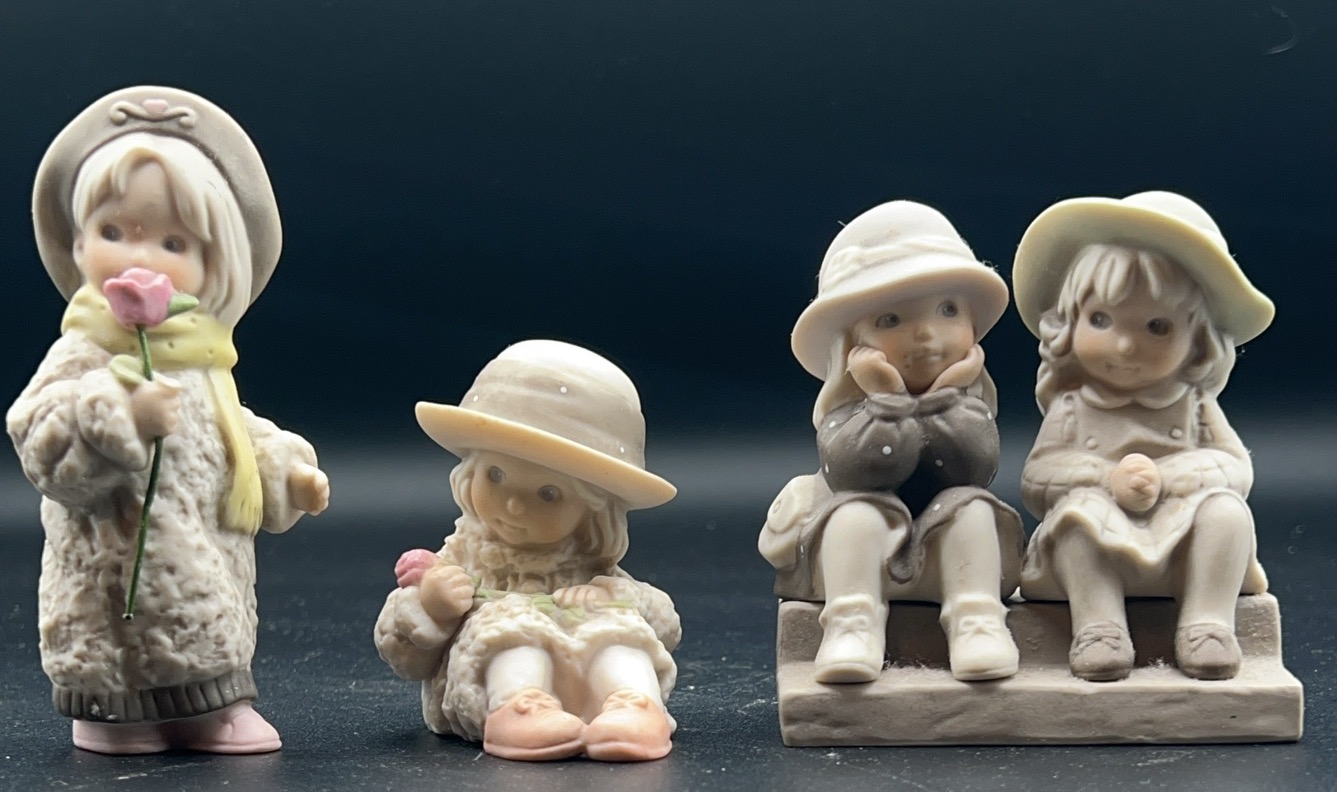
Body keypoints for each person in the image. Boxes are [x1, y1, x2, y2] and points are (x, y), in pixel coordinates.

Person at [11, 86, 329, 754]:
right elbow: (39, 434)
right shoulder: (84, 348)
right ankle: (111, 714)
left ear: (217, 264)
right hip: (110, 558)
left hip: (198, 556)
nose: (140, 256)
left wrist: (283, 469)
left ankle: (209, 708)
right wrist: (117, 415)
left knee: (200, 623)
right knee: (116, 639)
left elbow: (224, 434)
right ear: (77, 243)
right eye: (113, 232)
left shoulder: (201, 358)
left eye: (172, 241)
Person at [375, 340, 681, 762]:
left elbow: (663, 626)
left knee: (616, 635)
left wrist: (611, 596)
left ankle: (634, 705)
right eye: (495, 475)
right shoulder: (464, 556)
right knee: (511, 630)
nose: (514, 506)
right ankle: (518, 706)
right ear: (470, 471)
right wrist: (433, 606)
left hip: (582, 679)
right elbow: (404, 657)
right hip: (485, 684)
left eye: (549, 494)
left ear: (592, 512)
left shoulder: (585, 565)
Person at [1012, 191, 1274, 682]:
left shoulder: (1194, 405)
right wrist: (1104, 477)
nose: (1125, 345)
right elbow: (1037, 477)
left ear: (1197, 339)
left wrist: (1175, 476)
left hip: (1183, 548)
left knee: (1226, 512)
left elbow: (1236, 466)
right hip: (1105, 541)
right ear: (1068, 324)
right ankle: (1099, 626)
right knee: (1074, 519)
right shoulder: (1073, 406)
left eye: (1156, 326)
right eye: (1101, 320)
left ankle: (1207, 624)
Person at [760, 200, 1023, 684]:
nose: (925, 334)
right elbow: (859, 473)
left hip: (948, 557)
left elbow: (971, 467)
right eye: (891, 320)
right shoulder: (848, 414)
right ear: (852, 346)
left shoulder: (969, 408)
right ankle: (851, 624)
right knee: (855, 511)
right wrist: (886, 400)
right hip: (864, 559)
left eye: (947, 310)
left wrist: (945, 395)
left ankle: (977, 619)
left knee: (971, 508)